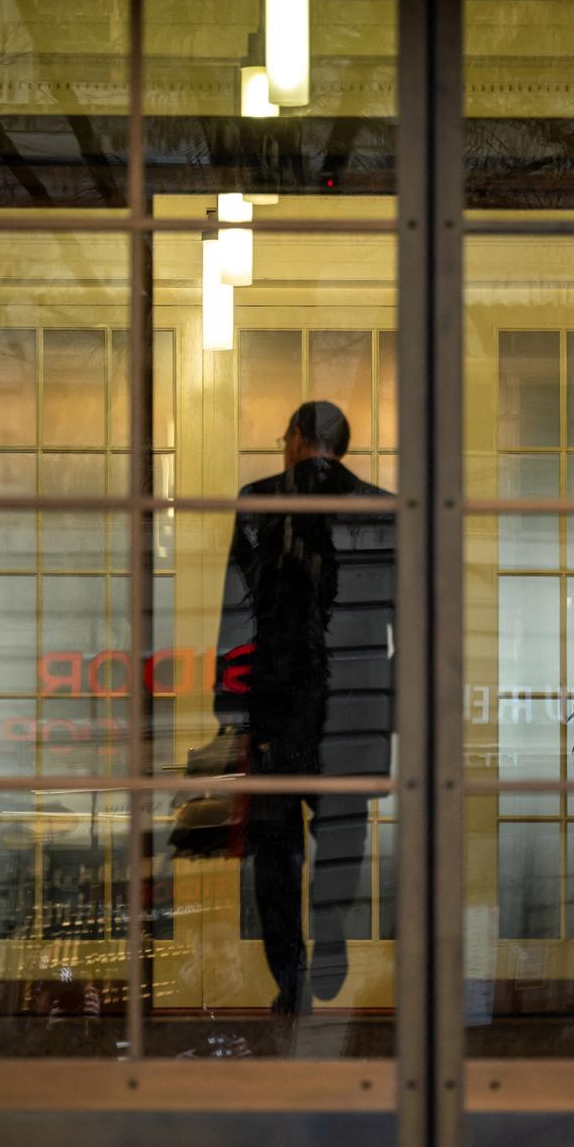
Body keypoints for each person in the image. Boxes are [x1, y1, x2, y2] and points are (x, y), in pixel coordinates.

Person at [215, 400, 396, 1017]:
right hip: (355, 705)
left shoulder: (258, 500)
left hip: (275, 704)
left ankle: (288, 979)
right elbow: (405, 619)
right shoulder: (383, 510)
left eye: (283, 435)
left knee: (275, 851)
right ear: (339, 446)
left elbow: (238, 613)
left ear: (296, 439)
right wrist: (392, 705)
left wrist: (231, 710)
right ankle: (334, 926)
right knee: (342, 833)